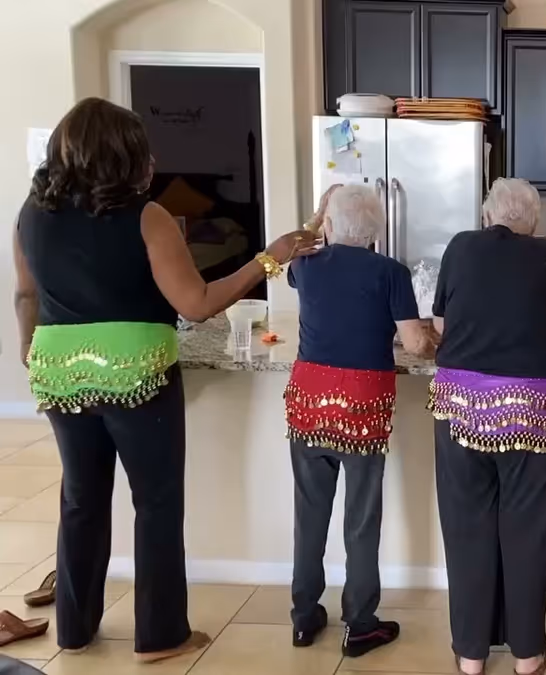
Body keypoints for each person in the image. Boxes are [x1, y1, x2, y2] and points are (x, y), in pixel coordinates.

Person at [12, 98, 319, 663]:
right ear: (122, 155)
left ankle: (74, 631)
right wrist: (269, 259)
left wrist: (30, 349)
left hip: (60, 373)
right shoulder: (146, 216)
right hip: (136, 374)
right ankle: (159, 636)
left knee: (81, 499)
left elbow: (27, 295)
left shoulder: (31, 213)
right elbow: (196, 303)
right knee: (154, 502)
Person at [427, 178, 546, 675]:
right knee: (527, 532)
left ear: (489, 215)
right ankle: (528, 654)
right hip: (534, 409)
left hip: (462, 406)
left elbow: (441, 328)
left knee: (466, 529)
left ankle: (470, 655)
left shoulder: (461, 247)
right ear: (533, 219)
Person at [285, 184, 435, 657]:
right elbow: (414, 344)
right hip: (363, 406)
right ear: (376, 231)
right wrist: (437, 339)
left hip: (309, 400)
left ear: (328, 226)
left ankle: (305, 618)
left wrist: (316, 218)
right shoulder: (390, 272)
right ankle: (360, 623)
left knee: (310, 513)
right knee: (361, 518)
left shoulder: (304, 266)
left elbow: (297, 246)